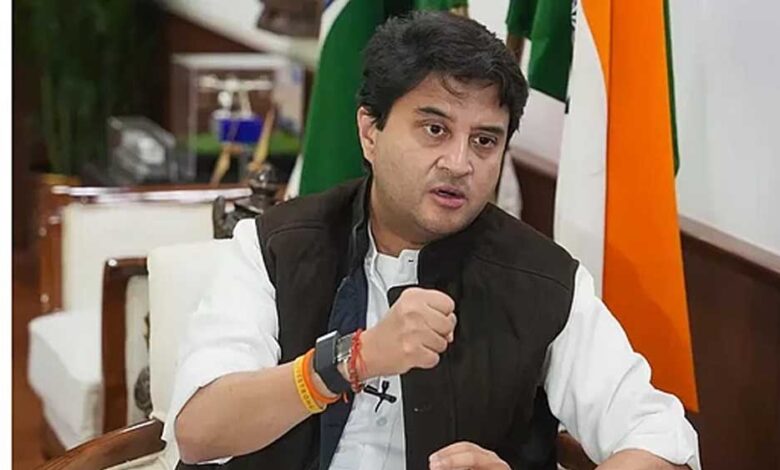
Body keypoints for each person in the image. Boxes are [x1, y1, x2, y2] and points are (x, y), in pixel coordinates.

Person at [165, 11, 701, 470]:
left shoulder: (544, 280)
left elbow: (662, 443)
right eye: (435, 129)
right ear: (370, 132)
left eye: (484, 140)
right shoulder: (277, 245)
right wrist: (354, 359)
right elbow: (199, 429)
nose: (459, 163)